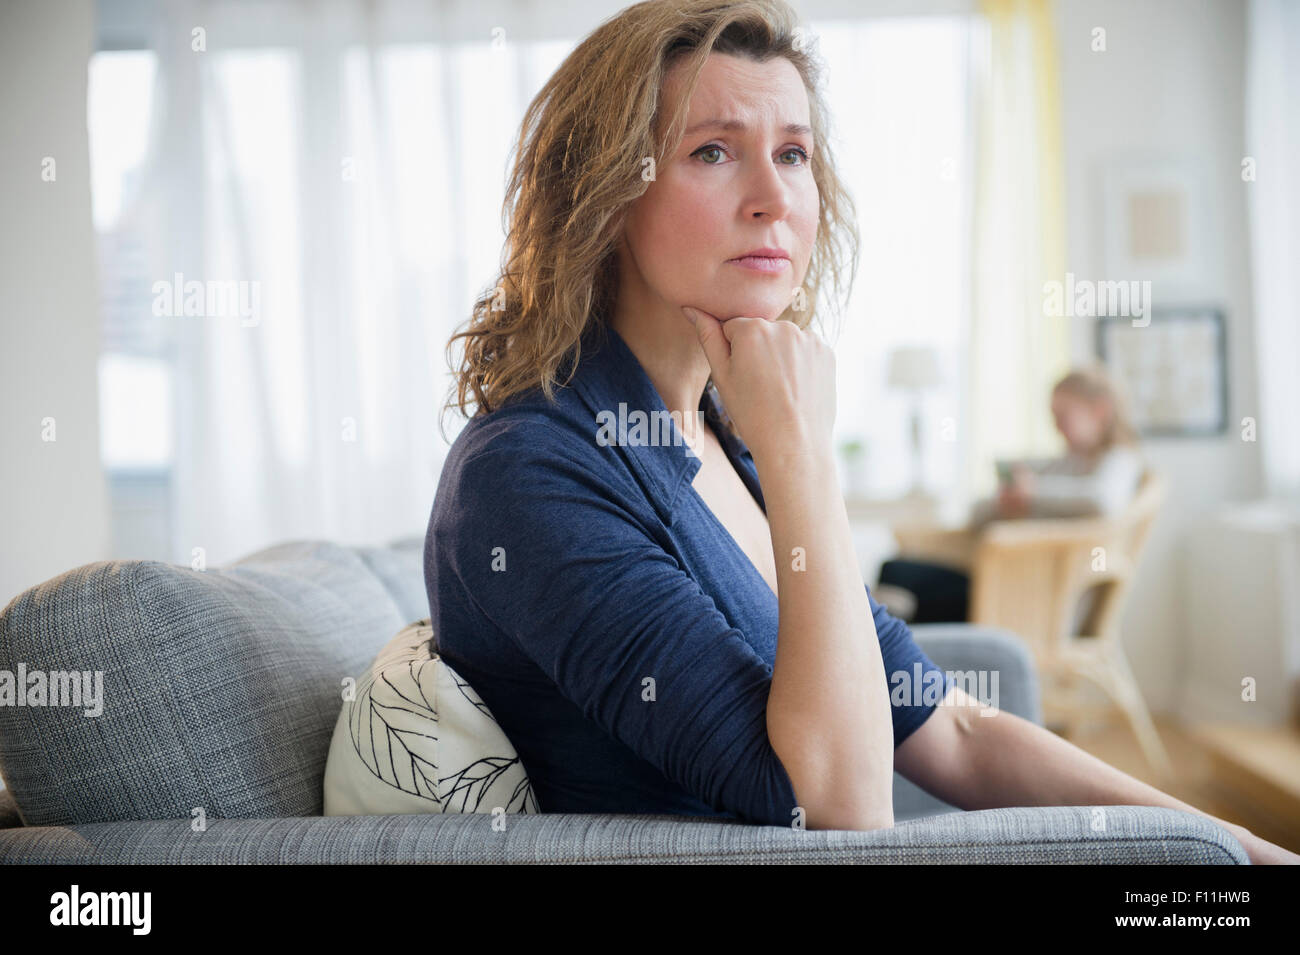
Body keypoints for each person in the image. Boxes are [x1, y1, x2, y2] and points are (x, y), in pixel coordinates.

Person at [425, 0, 1296, 861]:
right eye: (713, 151)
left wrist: (1232, 843)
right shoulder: (531, 470)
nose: (774, 198)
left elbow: (950, 730)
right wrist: (800, 447)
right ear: (607, 194)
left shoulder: (725, 435)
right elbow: (840, 810)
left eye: (794, 153)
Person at [878, 365, 1145, 624]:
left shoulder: (1119, 460)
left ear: (1100, 410)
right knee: (895, 571)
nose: (1057, 426)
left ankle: (902, 664)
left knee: (899, 578)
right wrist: (1005, 502)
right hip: (1007, 580)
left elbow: (1102, 501)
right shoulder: (1063, 463)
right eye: (1053, 417)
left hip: (1031, 598)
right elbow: (977, 515)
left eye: (1063, 416)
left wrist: (1032, 494)